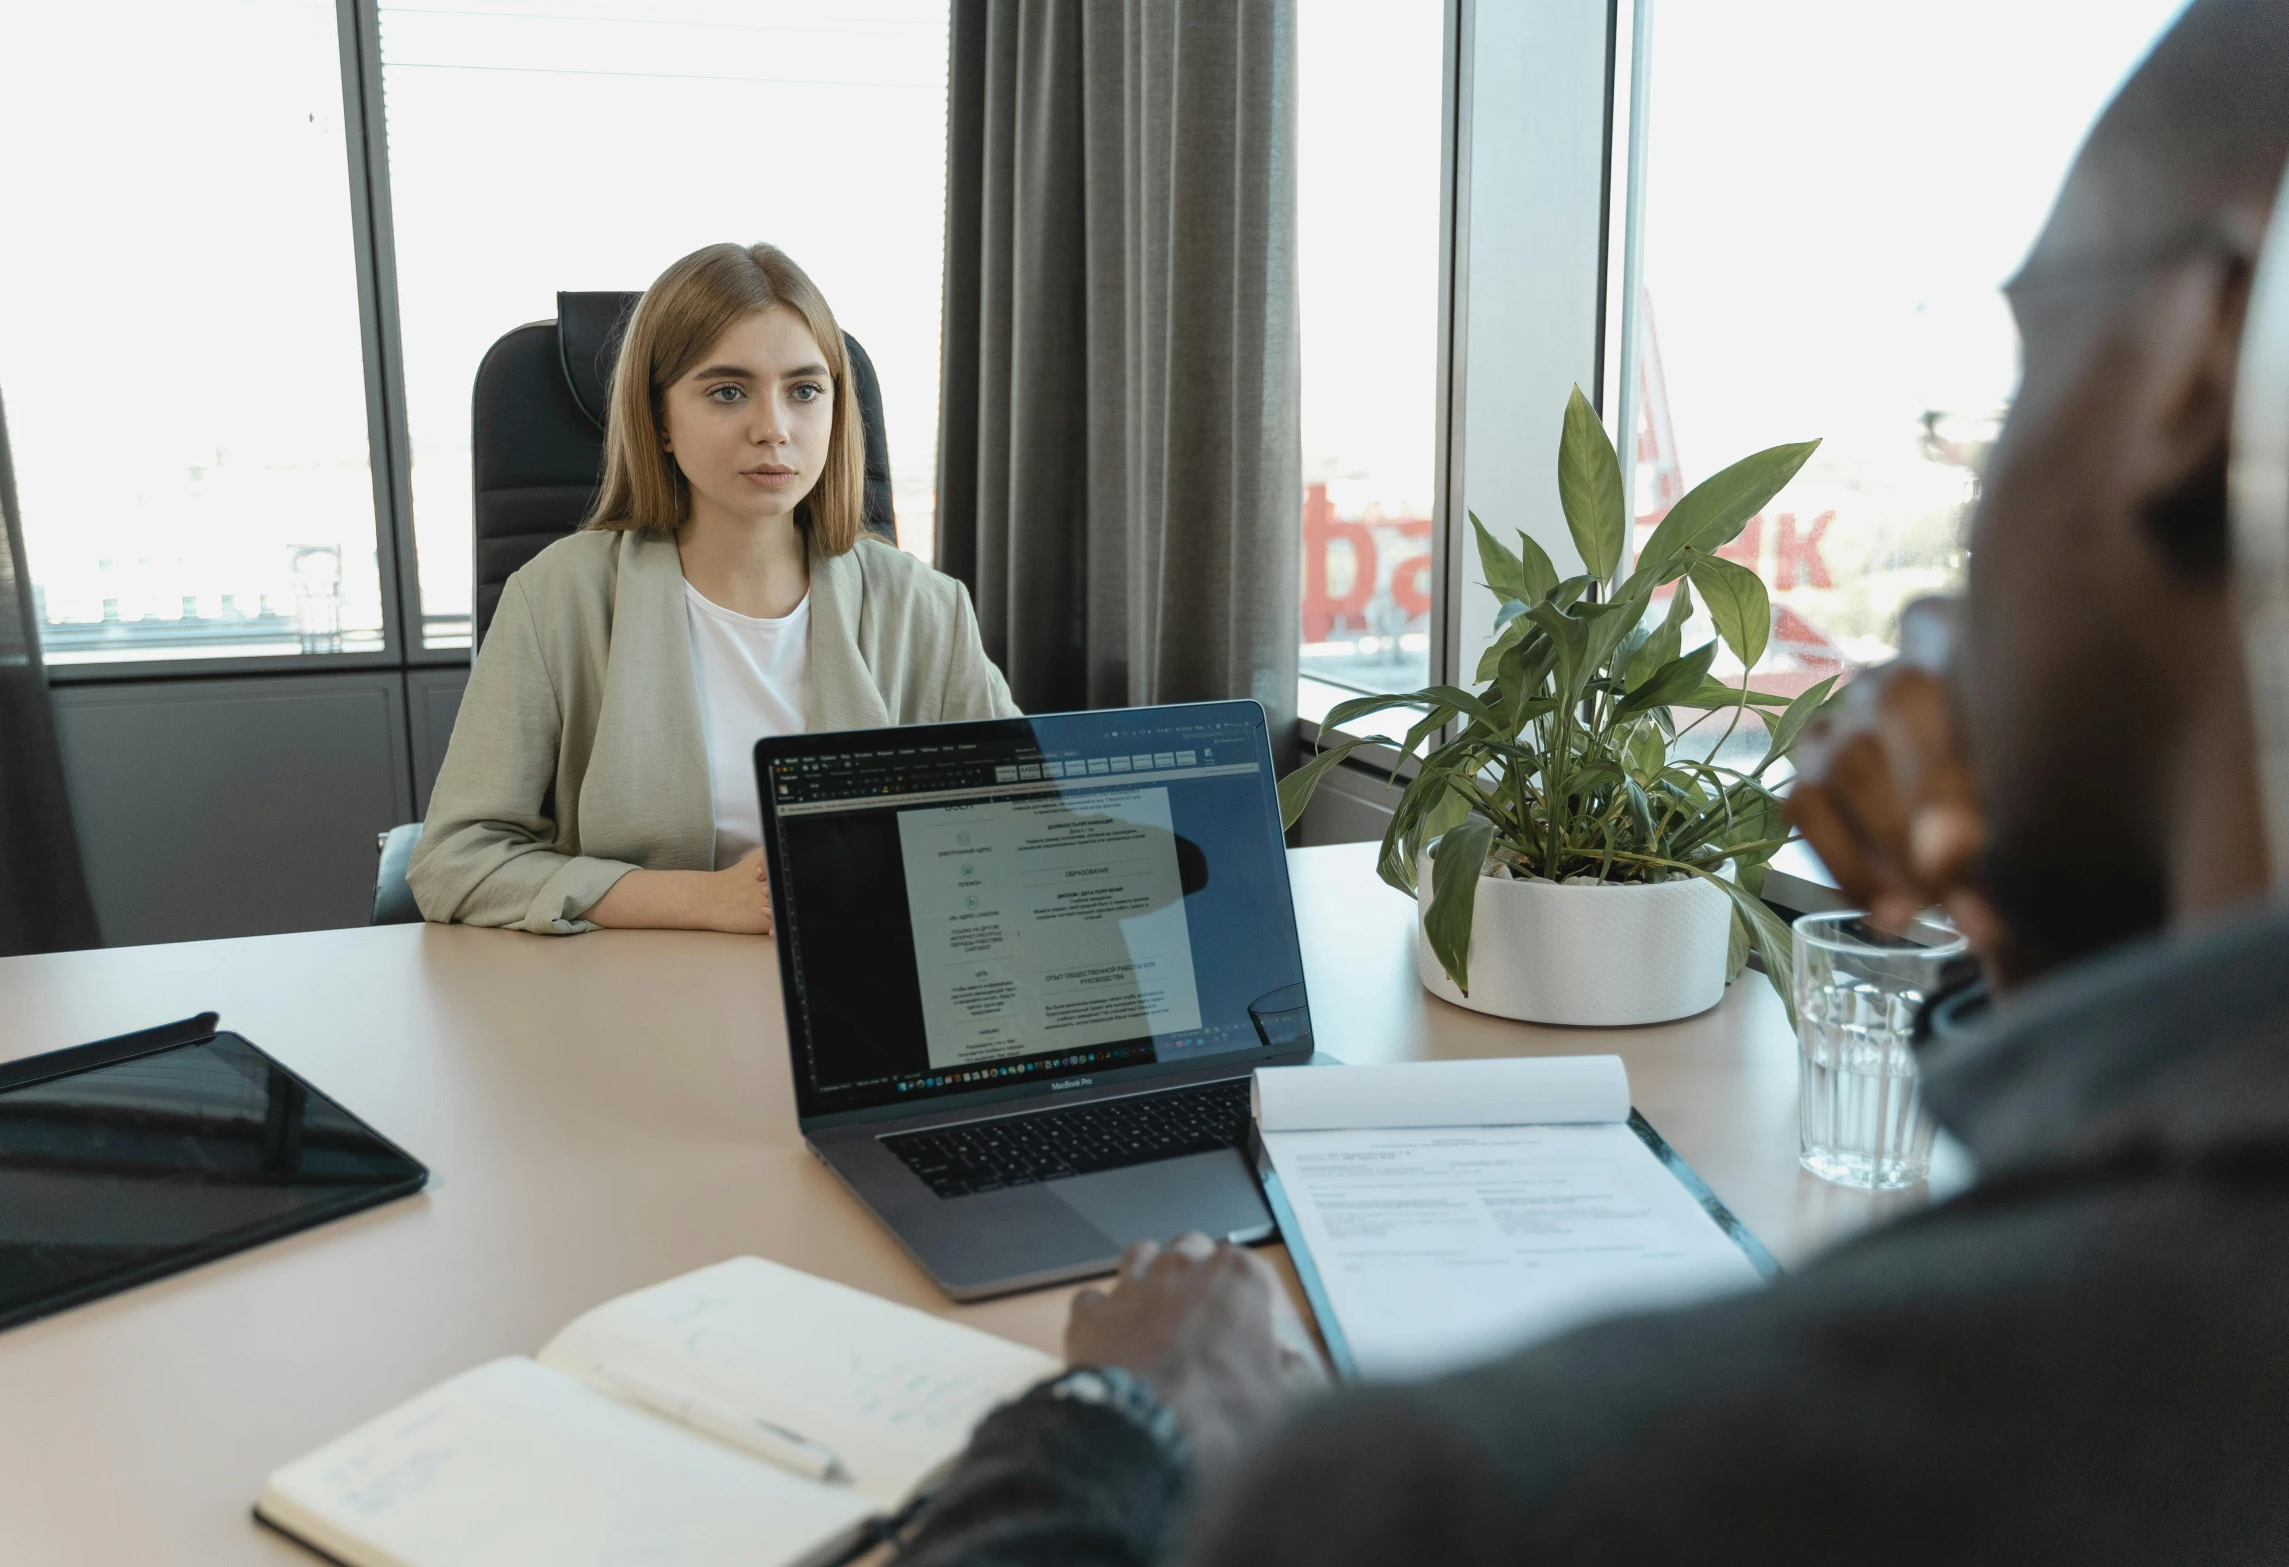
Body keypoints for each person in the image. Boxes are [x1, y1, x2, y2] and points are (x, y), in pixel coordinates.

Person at [888, 2, 2289, 1561]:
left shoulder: (1486, 1491)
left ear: (2193, 367)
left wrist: (1109, 1419)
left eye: (2023, 361)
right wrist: (2042, 894)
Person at [409, 243, 1017, 936]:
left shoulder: (927, 610)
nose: (773, 429)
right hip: (631, 997)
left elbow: (1029, 823)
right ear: (661, 419)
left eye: (804, 390)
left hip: (864, 993)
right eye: (728, 391)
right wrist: (711, 902)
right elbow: (456, 859)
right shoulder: (557, 597)